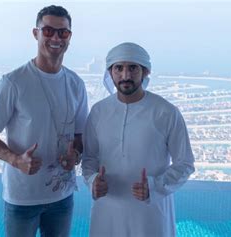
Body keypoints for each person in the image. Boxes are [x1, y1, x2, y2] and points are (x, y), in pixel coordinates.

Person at [0, 5, 88, 237]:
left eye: (63, 32)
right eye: (48, 31)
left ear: (70, 36)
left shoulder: (76, 84)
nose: (56, 38)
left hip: (62, 196)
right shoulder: (12, 83)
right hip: (22, 198)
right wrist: (15, 159)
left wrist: (76, 156)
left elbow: (80, 136)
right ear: (35, 33)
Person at [82, 42, 195, 237]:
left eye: (133, 68)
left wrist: (155, 187)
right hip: (107, 214)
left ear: (145, 72)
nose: (125, 75)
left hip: (150, 216)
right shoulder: (98, 112)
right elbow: (89, 159)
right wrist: (92, 181)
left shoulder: (166, 112)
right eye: (119, 68)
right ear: (110, 73)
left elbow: (185, 163)